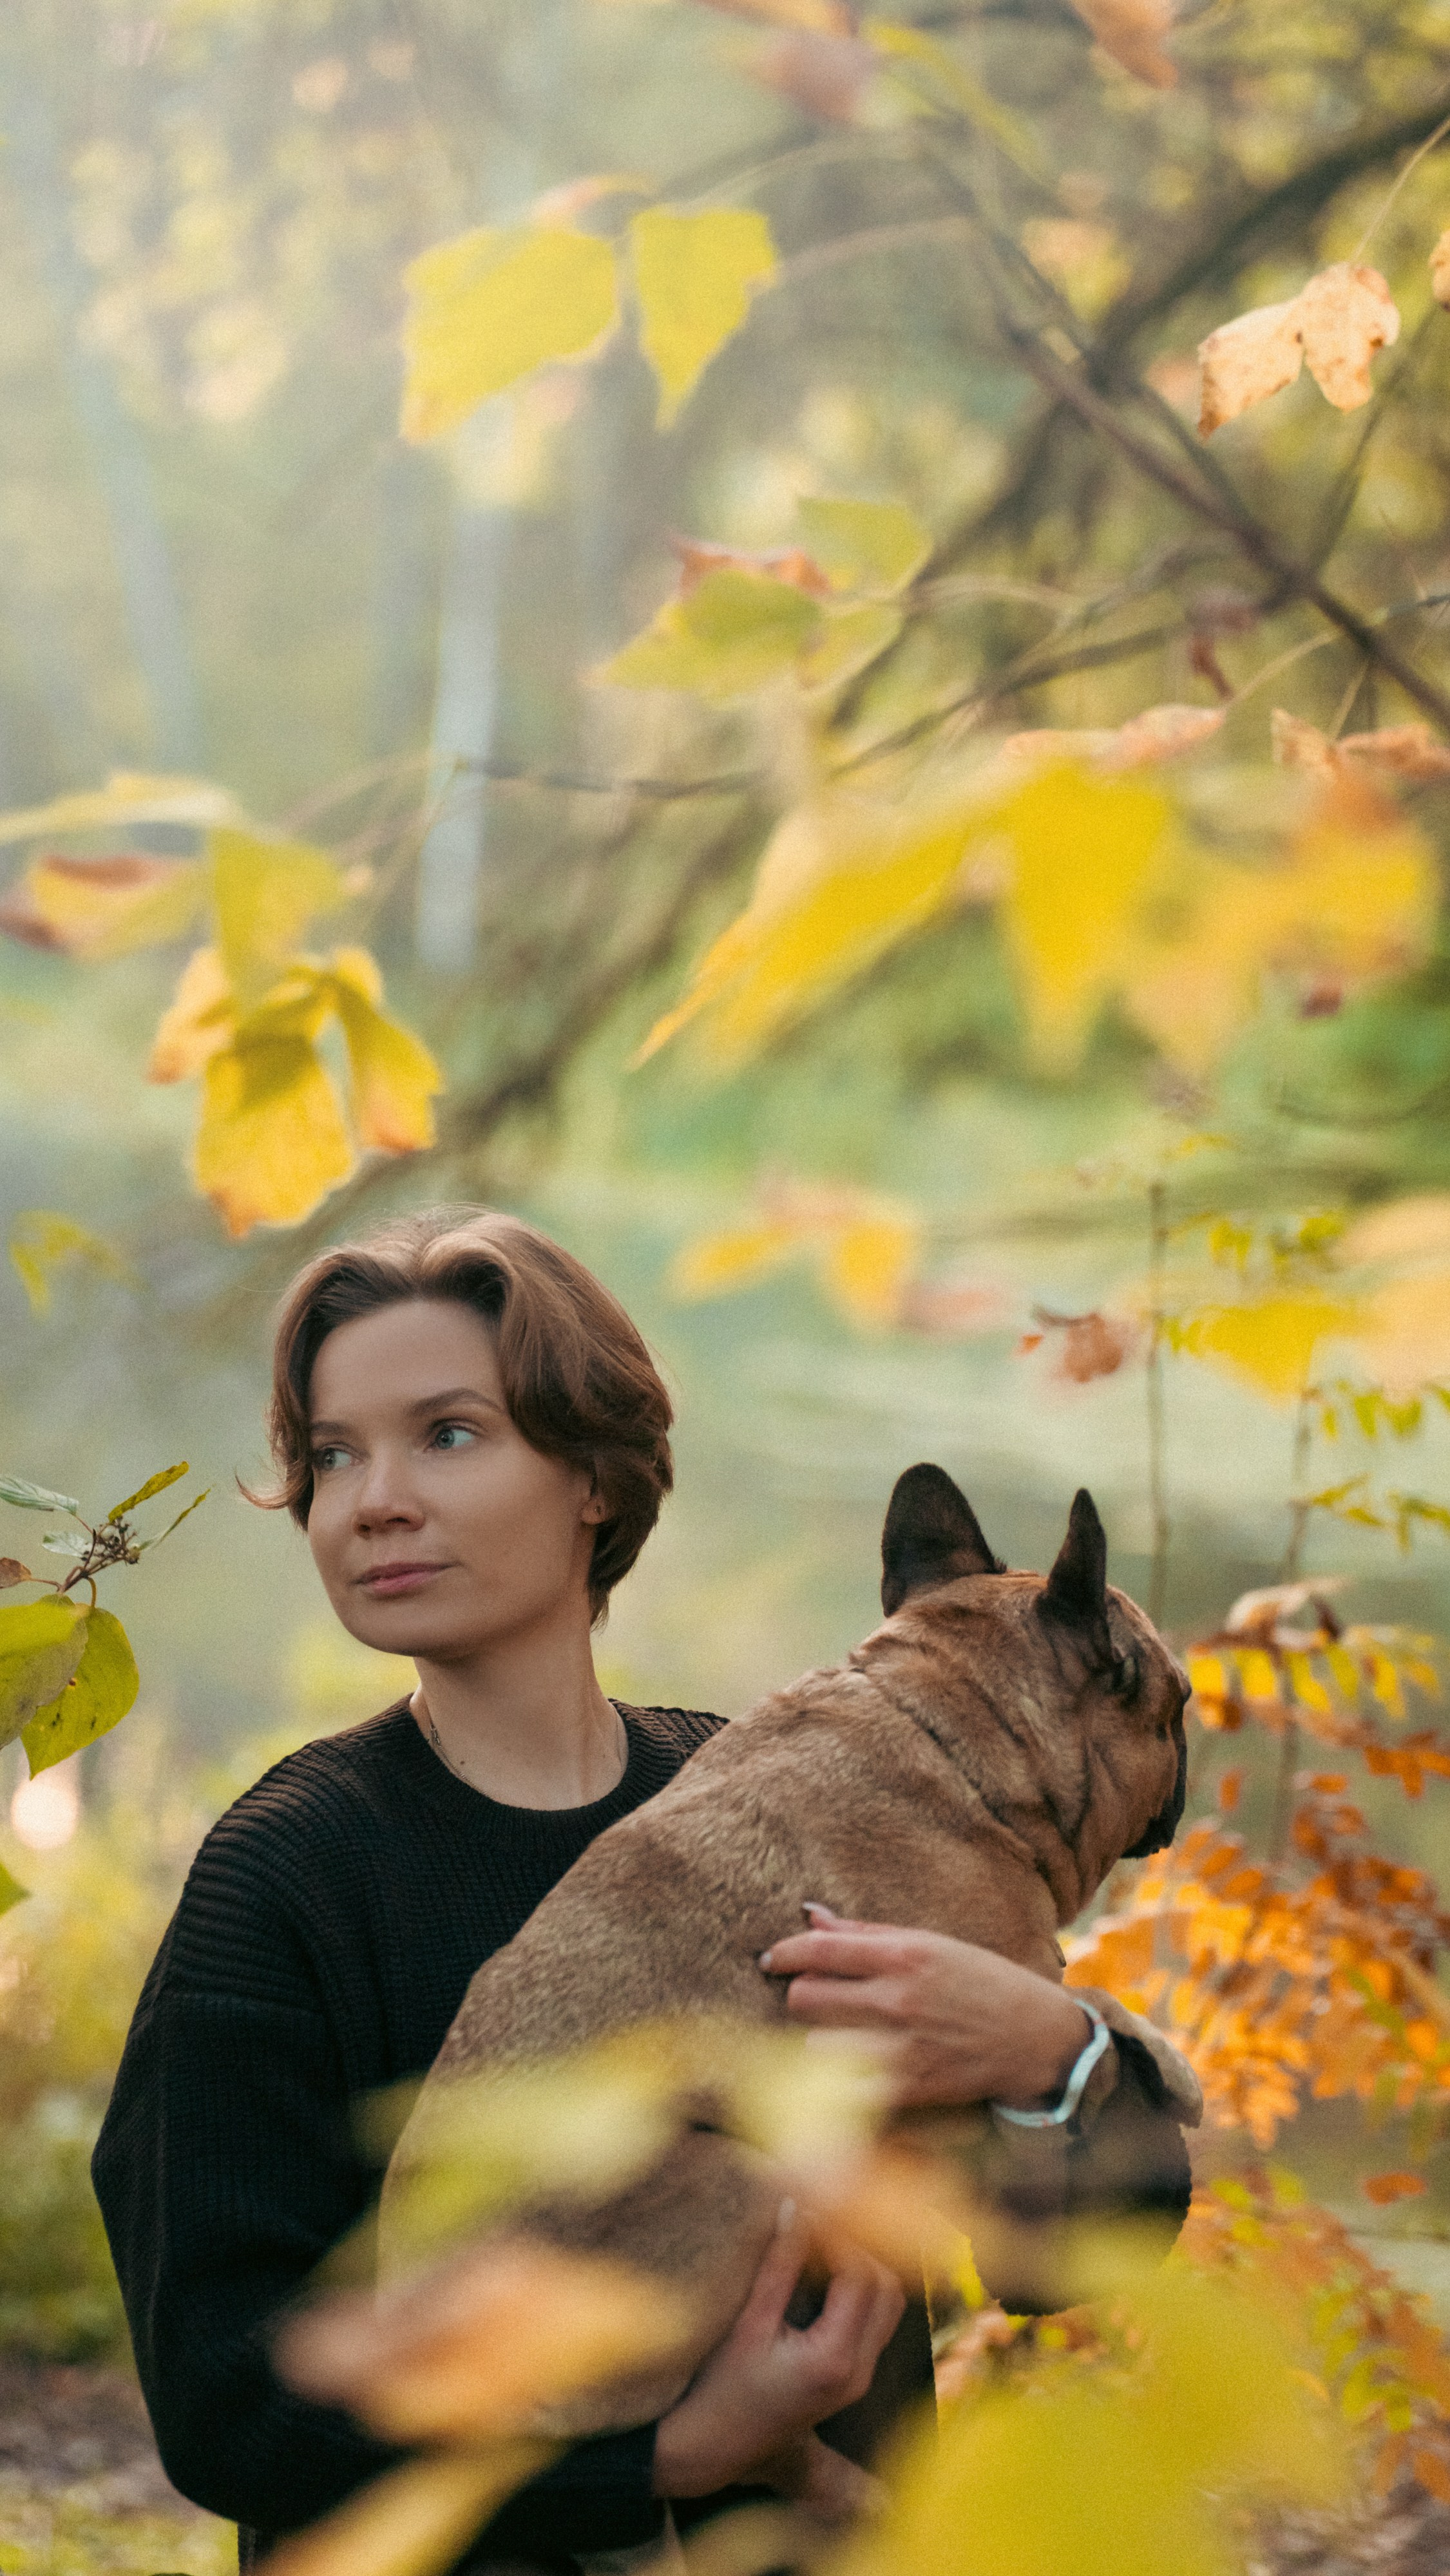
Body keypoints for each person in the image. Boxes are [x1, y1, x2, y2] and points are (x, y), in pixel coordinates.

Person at [92, 1208, 1195, 2573]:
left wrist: (1051, 2050)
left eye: (447, 1432)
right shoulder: (292, 1875)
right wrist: (658, 2458)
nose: (371, 1496)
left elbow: (1061, 2260)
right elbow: (225, 2403)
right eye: (331, 1452)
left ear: (594, 1479)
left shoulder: (795, 1790)